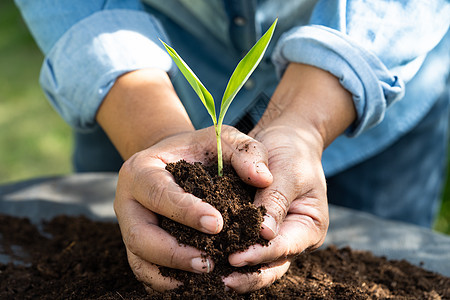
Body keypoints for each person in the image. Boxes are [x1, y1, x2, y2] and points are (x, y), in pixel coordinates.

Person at [15, 0, 450, 294]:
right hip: (134, 82)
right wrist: (155, 138)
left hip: (369, 79)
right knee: (140, 227)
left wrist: (305, 125)